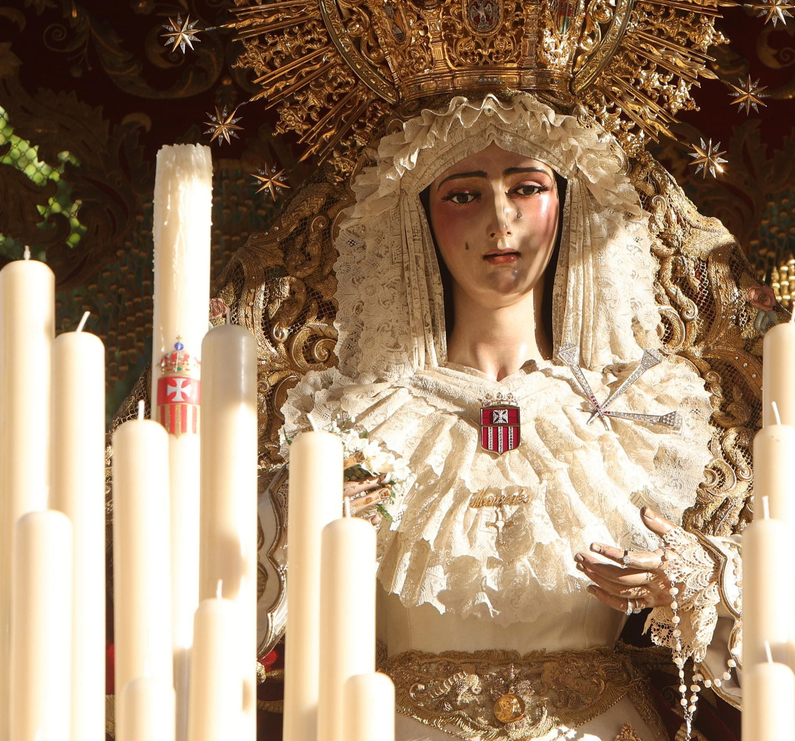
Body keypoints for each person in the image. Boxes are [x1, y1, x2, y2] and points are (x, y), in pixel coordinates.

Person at [276, 92, 730, 741]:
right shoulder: (359, 421)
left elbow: (777, 601)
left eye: (526, 187)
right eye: (464, 194)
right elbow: (240, 606)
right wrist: (299, 528)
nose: (500, 218)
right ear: (421, 220)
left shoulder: (641, 411)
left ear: (565, 206)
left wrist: (690, 581)